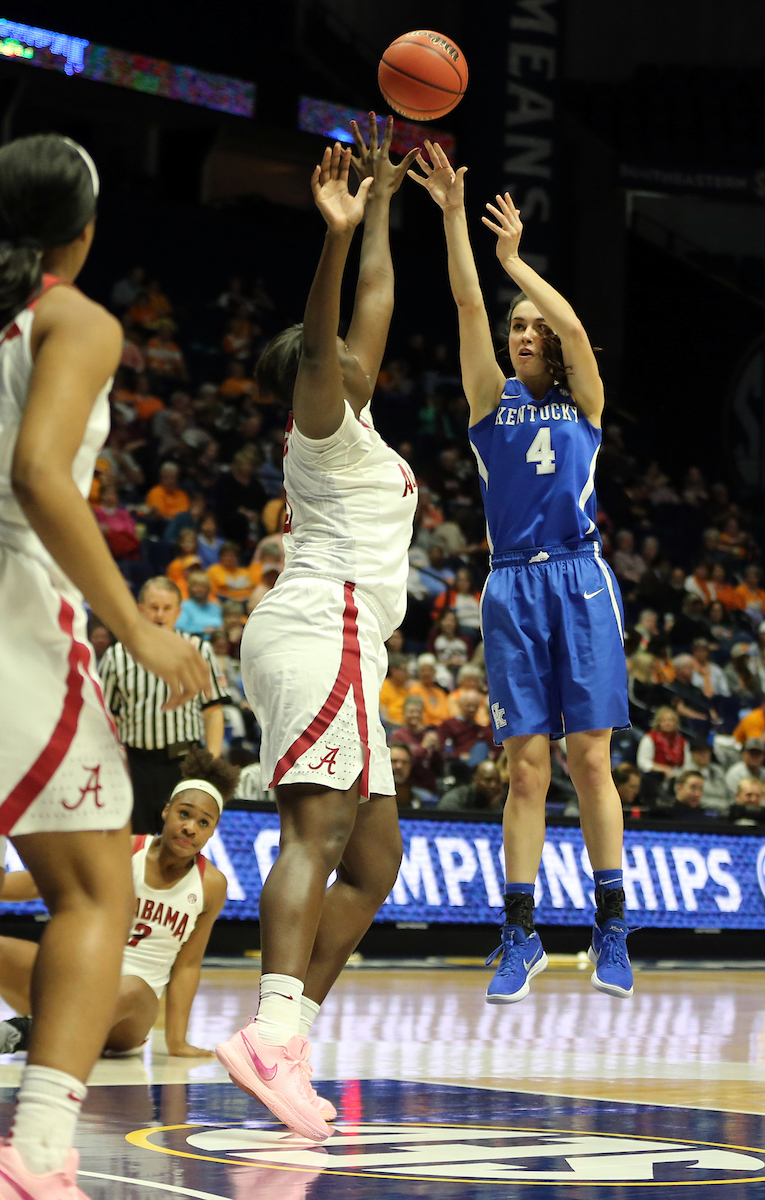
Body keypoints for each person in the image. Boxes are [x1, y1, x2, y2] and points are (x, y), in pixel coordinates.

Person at [0, 134, 208, 1199]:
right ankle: (38, 1153)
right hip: (15, 614)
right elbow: (39, 473)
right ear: (78, 236)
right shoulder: (72, 316)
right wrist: (136, 628)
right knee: (92, 898)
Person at [214, 124, 420, 1140]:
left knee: (376, 856)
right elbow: (339, 312)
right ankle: (270, 1030)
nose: (355, 349)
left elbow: (375, 306)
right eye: (337, 352)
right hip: (322, 625)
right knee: (319, 831)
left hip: (345, 639)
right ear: (318, 373)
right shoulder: (322, 425)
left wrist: (382, 202)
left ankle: (285, 1037)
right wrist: (333, 238)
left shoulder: (360, 419)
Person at [412, 143, 631, 1004]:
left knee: (589, 759)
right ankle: (520, 934)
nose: (526, 331)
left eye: (531, 325)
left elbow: (575, 329)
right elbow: (468, 303)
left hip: (579, 579)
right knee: (527, 769)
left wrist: (518, 264)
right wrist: (457, 222)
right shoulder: (487, 402)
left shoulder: (585, 401)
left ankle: (610, 928)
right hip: (511, 585)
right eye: (518, 327)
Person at [0, 748, 235, 1058]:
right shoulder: (126, 849)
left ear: (212, 832)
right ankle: (41, 1026)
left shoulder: (212, 885)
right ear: (166, 812)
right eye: (184, 813)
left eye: (204, 823)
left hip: (129, 1016)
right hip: (78, 983)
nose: (191, 827)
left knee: (133, 987)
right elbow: (39, 882)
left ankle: (21, 1033)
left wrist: (177, 1041)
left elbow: (188, 965)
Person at [100, 577, 229, 833]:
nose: (160, 614)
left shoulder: (198, 650)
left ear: (178, 612)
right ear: (140, 609)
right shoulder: (117, 655)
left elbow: (213, 713)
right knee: (134, 844)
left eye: (167, 608)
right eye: (153, 607)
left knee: (181, 843)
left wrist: (208, 767)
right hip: (134, 765)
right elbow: (105, 717)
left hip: (184, 763)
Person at [390, 695, 443, 792]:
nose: (415, 715)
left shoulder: (427, 736)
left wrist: (436, 750)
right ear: (404, 714)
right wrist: (423, 748)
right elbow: (404, 765)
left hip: (429, 785)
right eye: (411, 712)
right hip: (408, 787)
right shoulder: (398, 736)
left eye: (418, 712)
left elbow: (438, 768)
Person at [438, 760, 506, 812]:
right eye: (488, 780)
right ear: (475, 780)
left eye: (498, 781)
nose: (493, 785)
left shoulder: (501, 800)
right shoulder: (454, 799)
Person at [686, 737, 731, 814]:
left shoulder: (718, 770)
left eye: (706, 752)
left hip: (724, 810)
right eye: (699, 752)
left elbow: (728, 793)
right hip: (700, 812)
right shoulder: (687, 772)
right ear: (692, 753)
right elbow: (694, 799)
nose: (703, 755)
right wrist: (722, 806)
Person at [175, 570, 224, 637]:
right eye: (196, 586)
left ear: (208, 588)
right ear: (189, 588)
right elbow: (179, 628)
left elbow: (221, 627)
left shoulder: (215, 607)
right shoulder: (184, 606)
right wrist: (202, 630)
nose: (199, 589)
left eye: (203, 586)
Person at [406, 653, 451, 726]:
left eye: (429, 670)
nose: (426, 673)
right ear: (419, 673)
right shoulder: (414, 690)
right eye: (423, 671)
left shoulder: (440, 692)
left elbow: (446, 714)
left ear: (434, 672)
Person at [390, 742, 436, 809]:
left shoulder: (424, 798)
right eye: (393, 761)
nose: (399, 766)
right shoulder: (371, 798)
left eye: (404, 762)